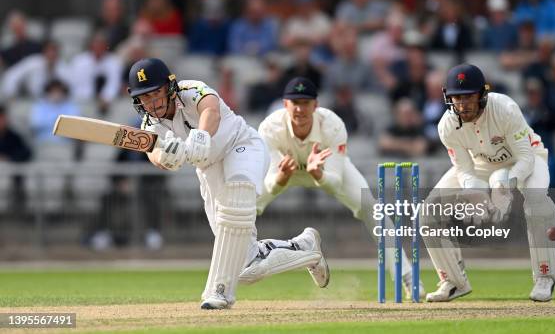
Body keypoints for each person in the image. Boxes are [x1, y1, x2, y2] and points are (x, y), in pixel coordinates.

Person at [126, 58, 329, 310]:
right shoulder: (149, 124)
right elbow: (154, 153)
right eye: (145, 97)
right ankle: (304, 247)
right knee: (247, 265)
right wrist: (166, 158)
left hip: (242, 146)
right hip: (209, 169)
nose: (152, 102)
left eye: (155, 93)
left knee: (236, 198)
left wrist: (201, 135)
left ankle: (218, 292)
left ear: (169, 87)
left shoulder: (191, 90)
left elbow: (210, 109)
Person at [257, 77, 425, 299]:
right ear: (285, 104)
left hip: (326, 170)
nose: (299, 109)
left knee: (370, 207)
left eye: (305, 103)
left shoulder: (333, 125)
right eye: (294, 102)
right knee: (247, 205)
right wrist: (280, 178)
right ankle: (230, 273)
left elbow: (335, 180)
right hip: (285, 172)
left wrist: (318, 173)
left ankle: (405, 273)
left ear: (315, 105)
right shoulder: (269, 128)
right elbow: (268, 181)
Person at [422, 63, 555, 302]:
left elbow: (526, 158)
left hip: (524, 158)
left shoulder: (504, 108)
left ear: (482, 95)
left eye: (468, 97)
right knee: (428, 211)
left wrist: (504, 188)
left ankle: (545, 276)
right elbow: (464, 169)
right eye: (457, 98)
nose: (463, 105)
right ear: (448, 97)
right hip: (482, 164)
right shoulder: (446, 125)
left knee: (537, 203)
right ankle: (454, 281)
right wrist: (474, 192)